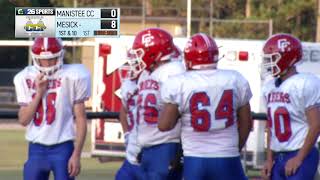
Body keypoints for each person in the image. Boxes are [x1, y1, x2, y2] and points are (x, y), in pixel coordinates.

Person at [158, 33, 252, 180]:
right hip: (227, 157)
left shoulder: (179, 83)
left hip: (195, 159)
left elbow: (164, 125)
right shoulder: (235, 79)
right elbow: (247, 123)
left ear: (188, 58)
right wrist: (236, 148)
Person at [13, 37, 91, 180]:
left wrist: (77, 154)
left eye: (52, 59)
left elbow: (80, 118)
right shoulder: (25, 77)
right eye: (44, 59)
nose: (48, 64)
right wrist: (39, 93)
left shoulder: (73, 76)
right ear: (36, 58)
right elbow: (23, 120)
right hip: (36, 148)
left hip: (63, 147)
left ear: (60, 55)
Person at [260, 33, 320, 180]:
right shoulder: (269, 87)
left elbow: (316, 125)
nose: (269, 63)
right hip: (278, 156)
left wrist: (299, 158)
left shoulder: (305, 83)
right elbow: (271, 127)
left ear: (287, 58)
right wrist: (269, 159)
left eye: (273, 58)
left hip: (300, 152)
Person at [128, 28, 185, 179]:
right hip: (148, 148)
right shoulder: (147, 74)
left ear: (155, 53)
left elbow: (183, 111)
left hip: (166, 146)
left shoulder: (173, 71)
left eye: (140, 52)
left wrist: (180, 150)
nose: (136, 57)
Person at [115, 50, 145, 180]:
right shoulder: (128, 84)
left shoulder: (159, 81)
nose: (132, 67)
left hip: (150, 154)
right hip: (131, 154)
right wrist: (126, 133)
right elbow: (123, 110)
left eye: (136, 63)